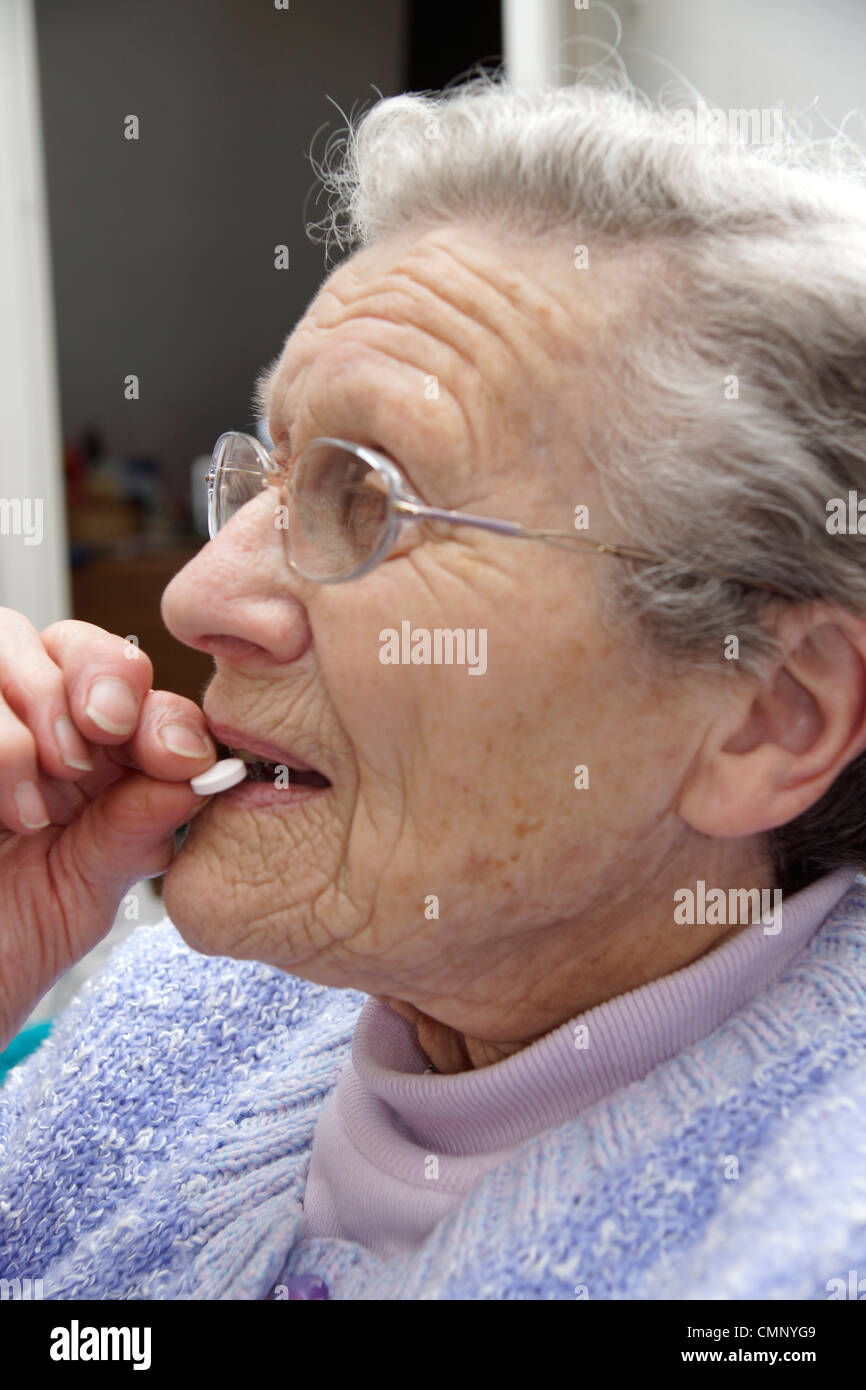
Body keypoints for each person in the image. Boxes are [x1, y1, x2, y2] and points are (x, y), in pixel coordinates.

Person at [2, 73, 866, 1300]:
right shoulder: (188, 1010)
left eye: (368, 497)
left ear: (768, 712)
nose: (199, 597)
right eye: (262, 479)